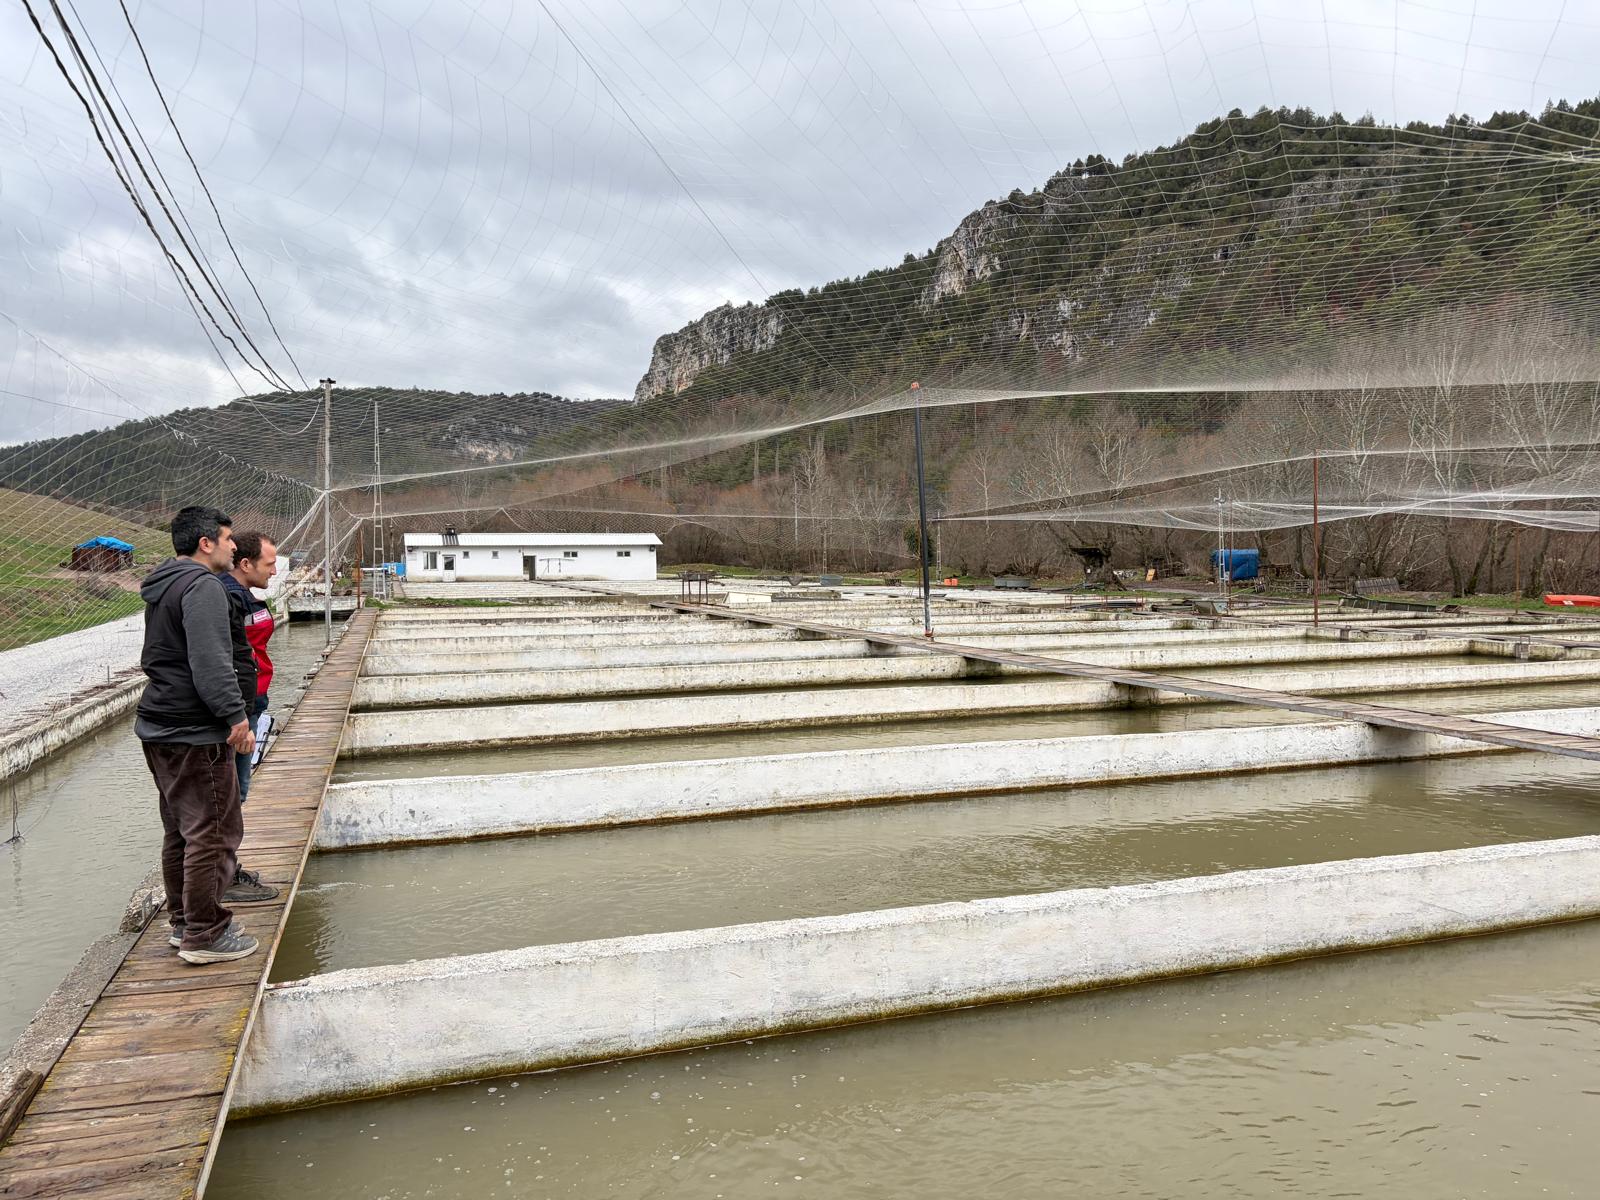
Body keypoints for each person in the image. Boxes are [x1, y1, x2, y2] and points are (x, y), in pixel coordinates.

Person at [135, 505, 259, 965]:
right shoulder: (203, 586)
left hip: (160, 724)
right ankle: (206, 933)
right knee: (214, 831)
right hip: (194, 730)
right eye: (227, 538)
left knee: (181, 831)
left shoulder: (165, 583)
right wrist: (236, 717)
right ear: (206, 543)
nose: (233, 545)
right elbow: (211, 662)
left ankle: (184, 922)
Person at [221, 532, 281, 904]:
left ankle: (227, 868)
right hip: (240, 707)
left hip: (252, 701)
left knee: (237, 789)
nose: (274, 571)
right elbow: (226, 658)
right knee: (229, 792)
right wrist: (238, 713)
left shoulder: (245, 597)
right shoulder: (227, 599)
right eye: (269, 564)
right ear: (245, 564)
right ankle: (222, 878)